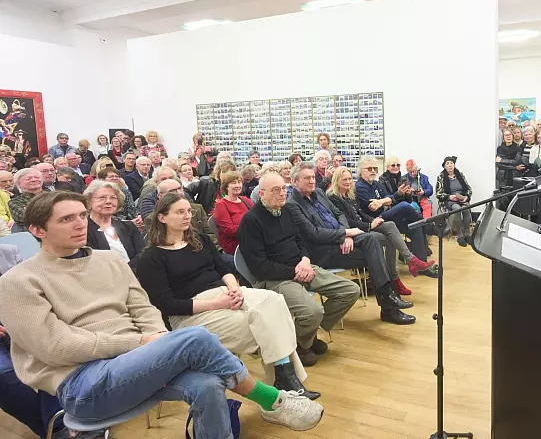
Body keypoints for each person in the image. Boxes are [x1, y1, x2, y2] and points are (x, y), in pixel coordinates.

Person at [0, 191, 323, 434]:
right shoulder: (19, 281)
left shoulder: (108, 261)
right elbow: (56, 347)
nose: (80, 223)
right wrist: (140, 343)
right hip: (82, 382)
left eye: (82, 215)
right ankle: (273, 400)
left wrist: (153, 338)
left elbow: (144, 307)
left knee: (209, 384)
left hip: (138, 362)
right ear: (37, 230)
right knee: (197, 338)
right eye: (66, 219)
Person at [138, 193, 319, 400]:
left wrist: (234, 287)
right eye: (180, 212)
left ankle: (282, 383)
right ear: (162, 217)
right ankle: (284, 383)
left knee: (274, 301)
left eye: (188, 211)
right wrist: (216, 303)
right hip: (192, 312)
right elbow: (167, 304)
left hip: (225, 293)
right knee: (263, 324)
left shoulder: (200, 239)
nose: (187, 216)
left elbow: (223, 268)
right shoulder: (151, 258)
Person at [238, 172, 362, 366]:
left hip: (301, 266)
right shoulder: (250, 221)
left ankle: (307, 336)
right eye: (275, 190)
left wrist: (305, 260)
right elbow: (260, 267)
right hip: (275, 278)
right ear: (261, 194)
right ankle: (299, 346)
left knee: (350, 290)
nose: (282, 193)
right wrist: (295, 272)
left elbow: (300, 241)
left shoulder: (286, 210)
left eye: (283, 189)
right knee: (312, 312)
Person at [286, 162, 415, 325]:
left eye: (313, 177)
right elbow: (313, 233)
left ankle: (389, 302)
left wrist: (345, 234)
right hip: (322, 251)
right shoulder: (292, 205)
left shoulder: (318, 192)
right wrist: (344, 234)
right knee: (374, 254)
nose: (312, 181)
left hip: (340, 240)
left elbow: (338, 214)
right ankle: (389, 304)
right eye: (307, 178)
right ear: (294, 181)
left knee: (371, 241)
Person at [328, 167, 433, 296]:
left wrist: (374, 219)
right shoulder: (334, 197)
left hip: (367, 223)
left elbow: (361, 213)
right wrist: (369, 225)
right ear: (337, 180)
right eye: (344, 179)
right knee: (400, 216)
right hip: (355, 231)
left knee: (391, 226)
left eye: (350, 179)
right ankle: (399, 275)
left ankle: (405, 267)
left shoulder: (351, 194)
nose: (348, 182)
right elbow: (348, 221)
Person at [354, 156, 438, 276]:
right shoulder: (361, 186)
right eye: (369, 168)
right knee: (405, 206)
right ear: (361, 171)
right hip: (374, 221)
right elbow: (373, 206)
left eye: (375, 168)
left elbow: (390, 199)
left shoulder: (376, 184)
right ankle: (430, 228)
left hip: (386, 216)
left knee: (416, 226)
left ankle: (422, 266)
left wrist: (383, 201)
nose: (373, 171)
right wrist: (388, 200)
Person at [145, 179, 224, 254]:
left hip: (204, 250)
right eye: (173, 191)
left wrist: (218, 251)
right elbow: (158, 242)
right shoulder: (152, 218)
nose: (179, 193)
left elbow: (209, 234)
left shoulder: (198, 208)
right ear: (160, 196)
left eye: (180, 189)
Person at [85, 180, 146, 272]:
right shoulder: (83, 230)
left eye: (113, 198)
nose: (108, 201)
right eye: (102, 197)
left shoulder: (128, 226)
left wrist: (127, 271)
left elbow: (143, 254)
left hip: (135, 275)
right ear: (89, 202)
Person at [435, 156, 473, 246]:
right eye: (447, 164)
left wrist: (466, 197)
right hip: (450, 200)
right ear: (444, 166)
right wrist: (449, 196)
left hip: (461, 199)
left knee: (466, 209)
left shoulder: (460, 175)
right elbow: (438, 194)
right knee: (457, 208)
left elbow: (469, 189)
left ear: (454, 165)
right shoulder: (441, 177)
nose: (450, 165)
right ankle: (460, 235)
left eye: (451, 163)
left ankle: (467, 233)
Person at [214, 171, 254, 255]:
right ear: (226, 186)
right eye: (233, 183)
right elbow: (229, 230)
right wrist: (252, 227)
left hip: (251, 239)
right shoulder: (221, 205)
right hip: (234, 245)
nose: (237, 185)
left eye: (239, 182)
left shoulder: (245, 200)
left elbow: (258, 217)